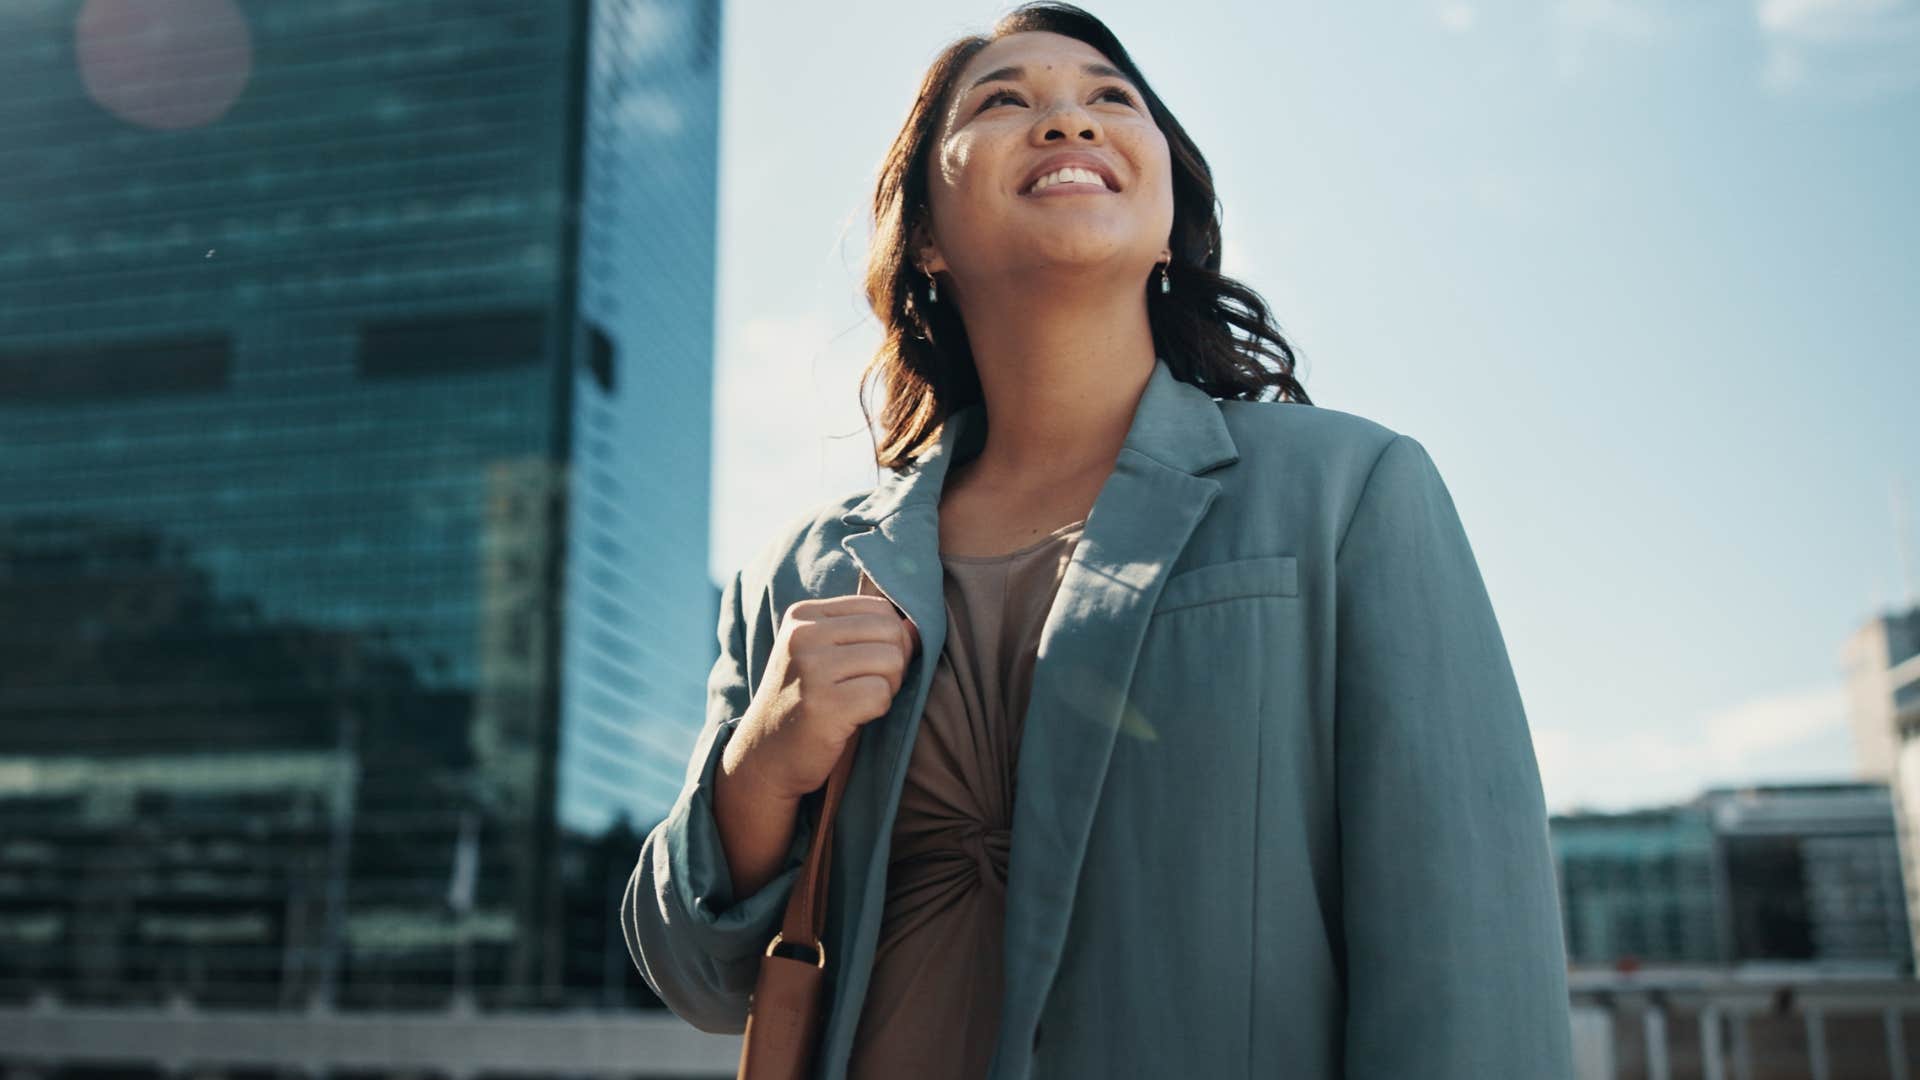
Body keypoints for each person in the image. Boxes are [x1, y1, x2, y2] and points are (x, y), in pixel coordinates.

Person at [621, 3, 1576, 1078]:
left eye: (1110, 101)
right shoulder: (794, 575)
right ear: (924, 232)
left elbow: (1471, 967)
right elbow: (694, 976)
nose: (1069, 122)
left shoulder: (1351, 491)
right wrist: (761, 767)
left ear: (1168, 214)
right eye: (1004, 100)